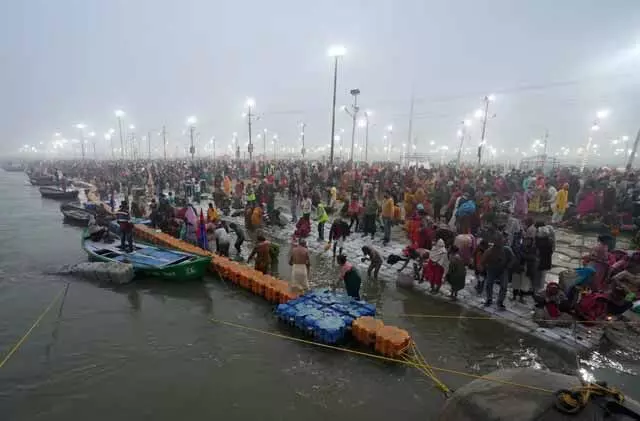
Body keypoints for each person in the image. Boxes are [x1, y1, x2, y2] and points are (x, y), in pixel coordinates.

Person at [481, 236, 512, 310]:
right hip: (491, 269)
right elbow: (482, 262)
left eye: (500, 246)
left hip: (503, 269)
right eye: (496, 246)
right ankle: (489, 299)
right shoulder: (489, 251)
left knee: (504, 286)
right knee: (488, 284)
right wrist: (486, 267)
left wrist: (508, 266)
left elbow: (513, 259)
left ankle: (500, 301)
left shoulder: (507, 250)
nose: (498, 248)